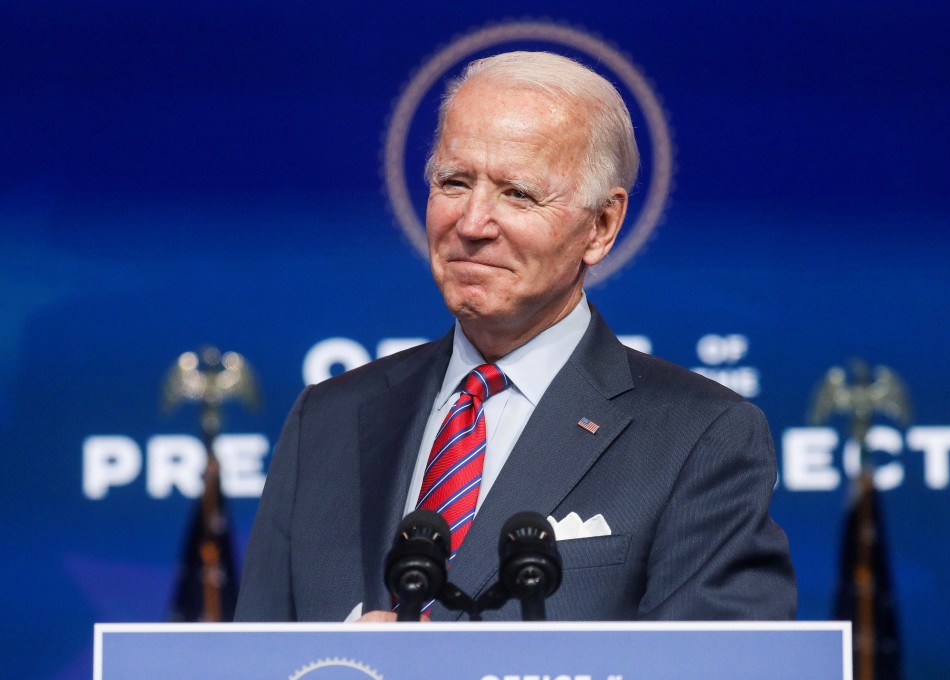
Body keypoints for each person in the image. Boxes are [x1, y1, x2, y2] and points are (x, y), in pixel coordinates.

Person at [235, 51, 796, 622]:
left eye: (517, 194)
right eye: (454, 182)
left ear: (600, 226)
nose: (473, 224)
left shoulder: (701, 438)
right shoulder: (327, 418)